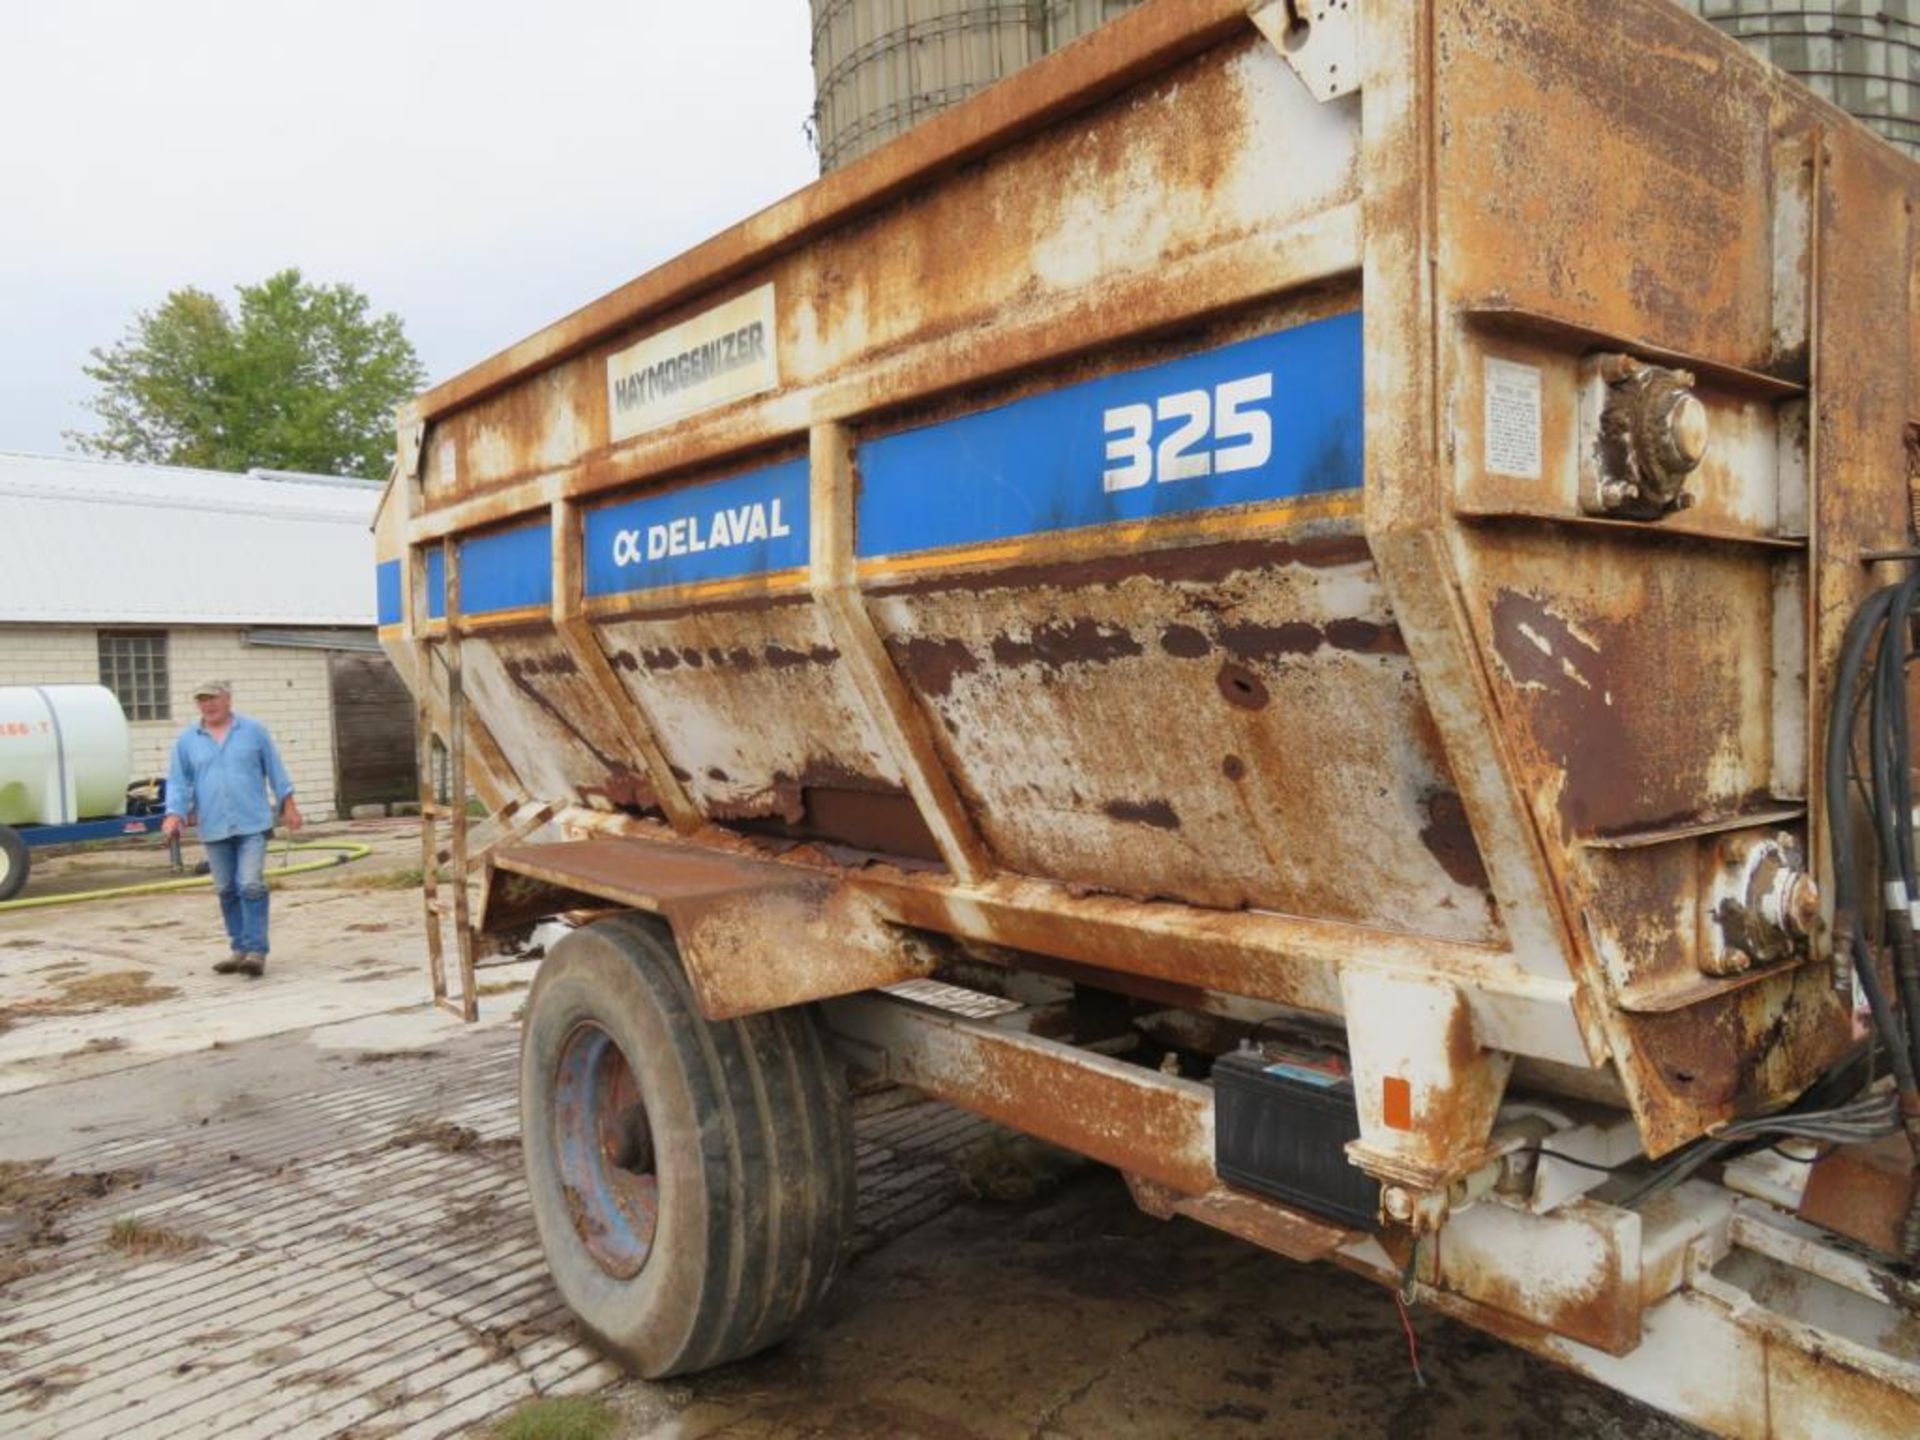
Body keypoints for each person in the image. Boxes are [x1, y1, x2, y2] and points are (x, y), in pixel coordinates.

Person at [161, 681, 303, 977]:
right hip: (214, 824)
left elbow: (275, 769)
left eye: (213, 698)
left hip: (252, 821)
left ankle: (256, 951)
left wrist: (288, 805)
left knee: (250, 884)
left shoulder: (253, 731)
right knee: (226, 888)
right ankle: (238, 948)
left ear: (228, 699)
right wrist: (174, 814)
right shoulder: (188, 740)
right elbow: (178, 781)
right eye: (202, 700)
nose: (207, 705)